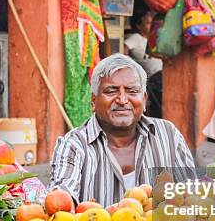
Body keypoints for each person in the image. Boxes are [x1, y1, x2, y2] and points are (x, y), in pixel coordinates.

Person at [49, 53, 195, 205]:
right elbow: (61, 199)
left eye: (132, 91)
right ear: (93, 101)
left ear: (144, 100)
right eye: (111, 91)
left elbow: (191, 197)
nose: (123, 100)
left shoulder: (168, 135)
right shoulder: (74, 144)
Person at [124, 9, 163, 118]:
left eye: (152, 23)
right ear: (139, 26)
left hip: (162, 73)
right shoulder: (136, 38)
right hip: (155, 77)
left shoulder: (153, 39)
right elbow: (123, 47)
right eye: (148, 23)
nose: (151, 27)